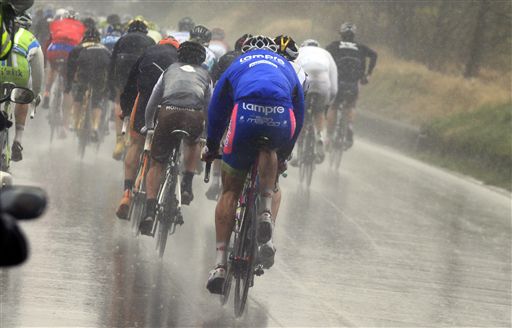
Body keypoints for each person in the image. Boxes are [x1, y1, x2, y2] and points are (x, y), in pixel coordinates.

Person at [202, 35, 304, 294]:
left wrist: (212, 145)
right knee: (270, 148)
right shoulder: (285, 66)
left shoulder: (238, 63)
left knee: (230, 192)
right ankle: (266, 211)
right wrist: (285, 153)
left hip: (245, 115)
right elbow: (300, 113)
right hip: (281, 118)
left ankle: (220, 264)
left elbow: (216, 110)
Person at [138, 41, 211, 235]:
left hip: (168, 114)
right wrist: (207, 134)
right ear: (202, 59)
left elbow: (154, 99)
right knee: (193, 142)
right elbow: (209, 106)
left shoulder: (169, 69)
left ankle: (149, 210)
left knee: (157, 164)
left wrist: (149, 124)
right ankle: (187, 183)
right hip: (193, 116)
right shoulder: (205, 75)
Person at [115, 36, 180, 220]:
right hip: (170, 105)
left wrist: (126, 109)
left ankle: (126, 194)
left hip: (145, 101)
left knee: (136, 143)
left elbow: (130, 84)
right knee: (161, 153)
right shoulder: (180, 58)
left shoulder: (149, 52)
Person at [205, 33, 251, 200]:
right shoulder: (256, 62)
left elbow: (212, 81)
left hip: (226, 99)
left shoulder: (227, 57)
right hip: (247, 103)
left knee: (222, 136)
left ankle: (216, 180)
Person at [325, 22, 377, 150]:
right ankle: (349, 126)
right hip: (353, 83)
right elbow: (374, 55)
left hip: (338, 82)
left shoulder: (335, 45)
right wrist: (368, 74)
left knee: (334, 106)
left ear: (341, 34)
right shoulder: (360, 47)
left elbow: (324, 55)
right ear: (354, 35)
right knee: (351, 105)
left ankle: (329, 136)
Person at [109, 17, 155, 160]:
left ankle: (119, 141)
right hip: (140, 71)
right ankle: (137, 138)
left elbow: (112, 62)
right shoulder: (150, 41)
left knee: (119, 100)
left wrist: (111, 85)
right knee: (140, 99)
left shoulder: (122, 39)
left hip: (122, 69)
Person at [6, 13, 44, 162]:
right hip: (20, 74)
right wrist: (35, 94)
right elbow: (38, 72)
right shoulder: (32, 39)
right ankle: (18, 140)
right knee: (23, 97)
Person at [294, 39, 337, 163]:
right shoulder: (326, 54)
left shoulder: (298, 52)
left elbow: (292, 74)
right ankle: (319, 136)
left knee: (300, 116)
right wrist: (327, 104)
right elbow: (334, 84)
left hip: (305, 80)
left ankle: (297, 153)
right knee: (319, 111)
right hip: (323, 82)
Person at [66, 27, 111, 140]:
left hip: (84, 75)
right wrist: (109, 89)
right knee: (96, 100)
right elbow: (110, 68)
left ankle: (74, 123)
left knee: (78, 96)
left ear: (84, 38)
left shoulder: (78, 48)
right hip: (99, 76)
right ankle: (95, 127)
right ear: (98, 39)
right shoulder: (105, 49)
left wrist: (68, 84)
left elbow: (70, 68)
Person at [42, 9, 85, 110]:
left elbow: (49, 41)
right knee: (69, 74)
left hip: (55, 50)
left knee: (52, 70)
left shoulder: (57, 24)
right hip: (70, 52)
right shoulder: (80, 27)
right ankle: (69, 91)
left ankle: (46, 94)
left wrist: (45, 59)